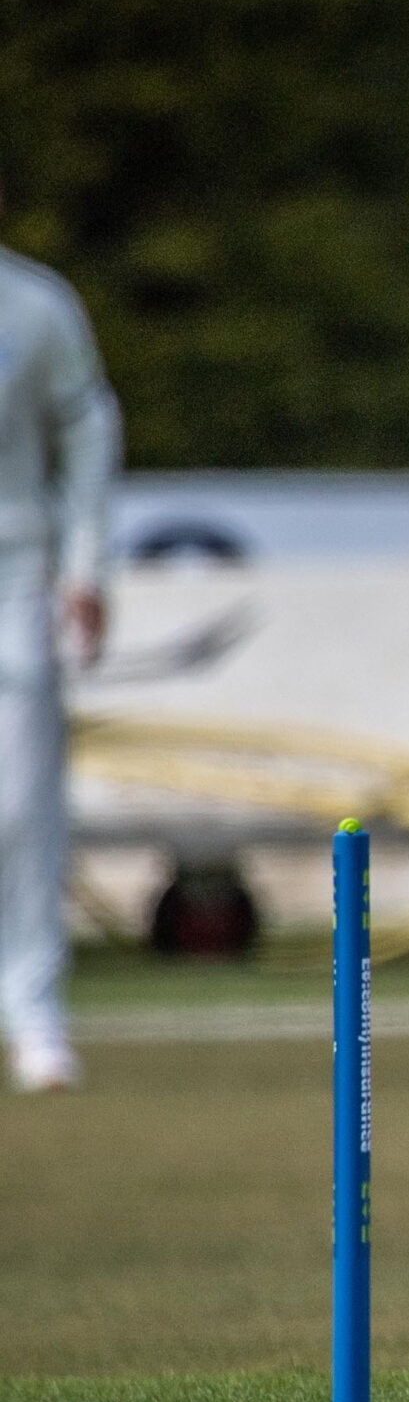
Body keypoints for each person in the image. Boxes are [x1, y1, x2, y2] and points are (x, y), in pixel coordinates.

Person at [0, 174, 120, 1095]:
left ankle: (32, 1004)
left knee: (19, 803)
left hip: (14, 575)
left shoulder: (34, 307)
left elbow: (84, 427)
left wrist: (85, 565)